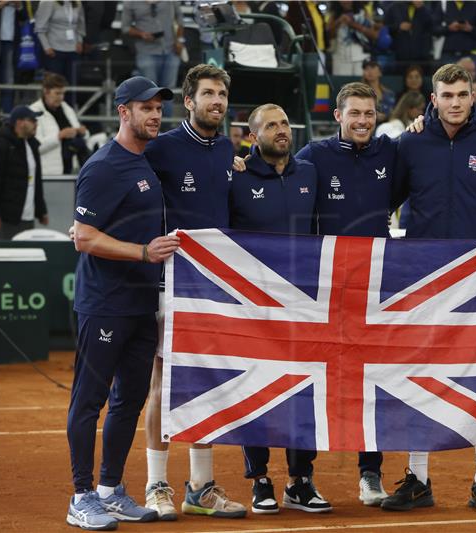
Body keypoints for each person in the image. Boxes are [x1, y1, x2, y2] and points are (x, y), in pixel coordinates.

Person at [383, 63, 476, 514]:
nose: (455, 102)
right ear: (431, 99)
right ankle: (418, 478)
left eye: (462, 95)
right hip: (423, 282)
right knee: (417, 377)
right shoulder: (410, 143)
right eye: (447, 95)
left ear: (473, 96)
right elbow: (386, 202)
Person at [65, 76, 178, 531]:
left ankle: (110, 490)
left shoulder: (145, 162)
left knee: (129, 399)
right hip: (104, 305)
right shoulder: (104, 166)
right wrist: (142, 253)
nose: (154, 115)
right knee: (89, 401)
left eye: (157, 108)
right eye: (145, 107)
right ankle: (81, 495)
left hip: (140, 304)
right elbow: (83, 237)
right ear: (122, 111)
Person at [143, 65, 247, 521]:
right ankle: (155, 484)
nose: (216, 101)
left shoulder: (227, 148)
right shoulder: (161, 148)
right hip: (170, 285)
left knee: (209, 385)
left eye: (222, 94)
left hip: (216, 288)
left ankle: (200, 487)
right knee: (163, 386)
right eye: (208, 94)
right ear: (188, 101)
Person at [295, 82, 397, 507]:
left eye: (369, 114)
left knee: (372, 383)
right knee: (309, 383)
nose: (362, 121)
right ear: (337, 115)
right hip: (323, 292)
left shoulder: (392, 153)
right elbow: (279, 180)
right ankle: (300, 477)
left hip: (375, 290)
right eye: (354, 113)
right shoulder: (314, 156)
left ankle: (370, 475)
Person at [230, 104, 328, 514]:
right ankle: (261, 479)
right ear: (254, 136)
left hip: (303, 304)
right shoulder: (234, 176)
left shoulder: (308, 172)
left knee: (304, 391)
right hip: (253, 305)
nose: (281, 130)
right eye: (270, 125)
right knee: (257, 390)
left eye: (285, 123)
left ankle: (300, 480)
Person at [0, 105, 48, 241]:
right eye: (32, 120)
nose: (36, 124)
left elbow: (35, 181)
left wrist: (41, 210)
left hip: (28, 214)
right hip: (6, 217)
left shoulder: (32, 145)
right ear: (19, 122)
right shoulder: (1, 144)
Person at [121, 1, 185, 117]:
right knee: (149, 92)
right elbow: (125, 28)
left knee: (168, 92)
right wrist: (141, 34)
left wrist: (179, 41)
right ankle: (149, 127)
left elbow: (180, 20)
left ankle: (166, 128)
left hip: (171, 49)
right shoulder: (130, 2)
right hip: (145, 51)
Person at [29, 72, 91, 175]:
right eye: (57, 93)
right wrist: (59, 136)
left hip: (72, 170)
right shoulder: (34, 112)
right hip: (48, 173)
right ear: (46, 92)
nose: (61, 97)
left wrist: (83, 132)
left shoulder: (66, 108)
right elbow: (35, 148)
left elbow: (84, 139)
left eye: (63, 93)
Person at [35, 0, 85, 97]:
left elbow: (81, 25)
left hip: (73, 50)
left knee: (72, 86)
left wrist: (80, 41)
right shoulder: (47, 2)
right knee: (54, 86)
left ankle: (69, 110)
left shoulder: (78, 3)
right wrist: (46, 47)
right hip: (54, 50)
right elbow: (39, 28)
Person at [326, 1, 377, 76]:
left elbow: (373, 34)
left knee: (360, 86)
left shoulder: (363, 12)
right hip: (340, 58)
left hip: (361, 58)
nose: (345, 1)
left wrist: (352, 24)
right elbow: (328, 33)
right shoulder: (335, 14)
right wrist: (338, 21)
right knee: (342, 85)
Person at [384, 0, 434, 68]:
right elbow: (386, 27)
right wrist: (398, 26)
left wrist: (421, 8)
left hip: (421, 54)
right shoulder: (394, 7)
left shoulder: (426, 6)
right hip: (401, 54)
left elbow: (432, 26)